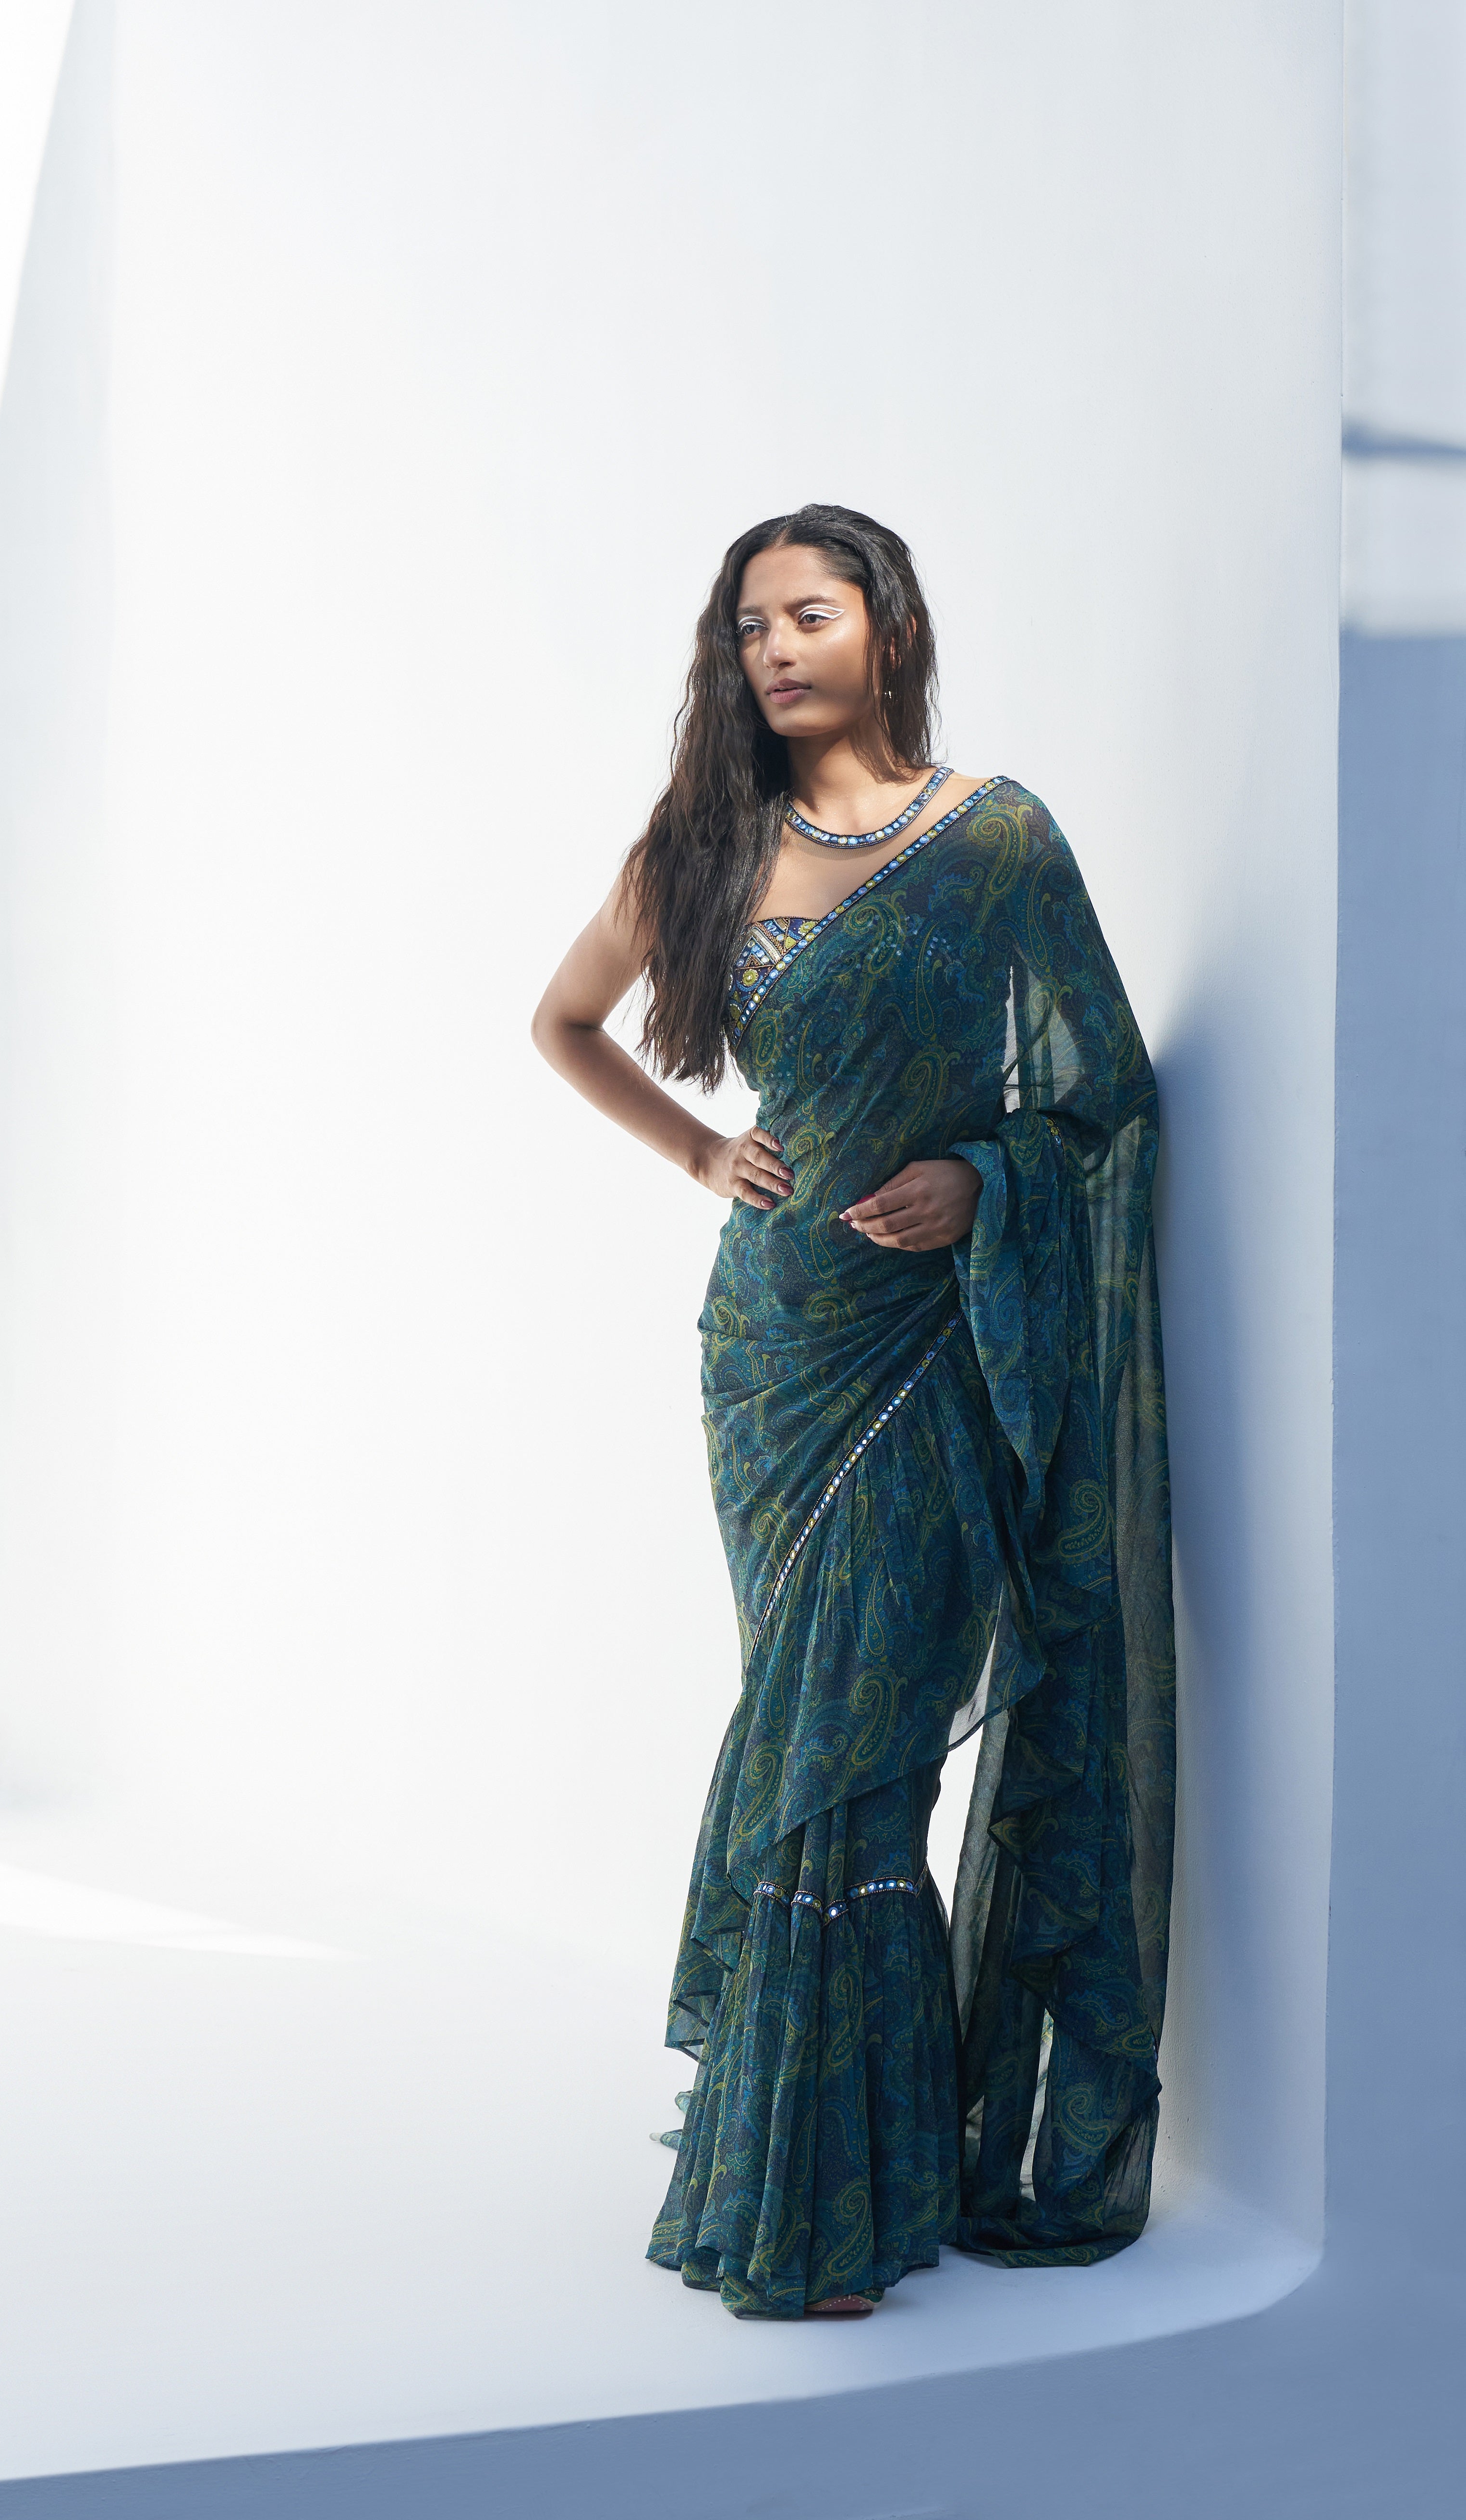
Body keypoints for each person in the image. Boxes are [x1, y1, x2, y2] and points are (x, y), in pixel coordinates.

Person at [532, 505, 1174, 2321]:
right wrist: (698, 1152)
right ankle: (808, 2182)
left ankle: (832, 2188)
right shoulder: (702, 848)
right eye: (749, 627)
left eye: (808, 614)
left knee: (865, 1748)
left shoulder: (995, 838)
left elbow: (1105, 1091)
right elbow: (564, 1021)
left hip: (937, 1341)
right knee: (806, 1722)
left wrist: (986, 1177)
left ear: (886, 626)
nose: (775, 650)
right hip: (777, 1350)